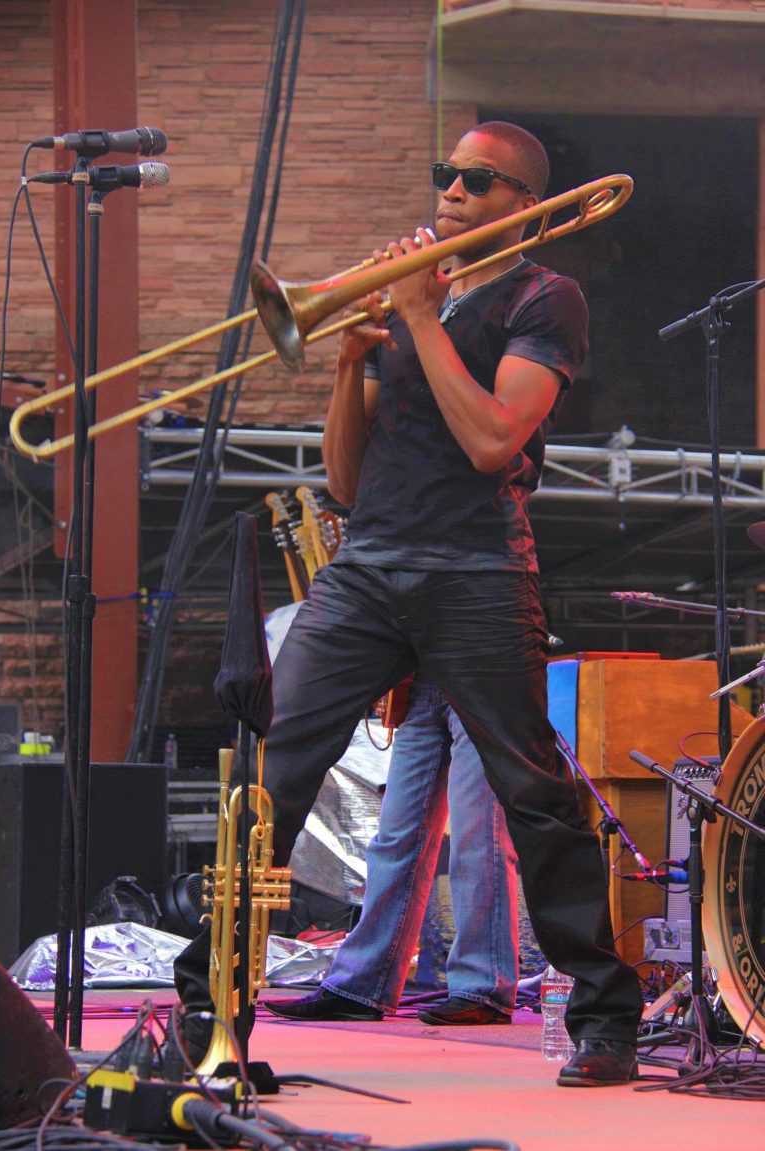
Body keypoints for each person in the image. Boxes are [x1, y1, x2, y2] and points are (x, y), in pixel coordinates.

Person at [178, 119, 644, 1085]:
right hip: (370, 563)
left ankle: (604, 1013)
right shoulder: (409, 305)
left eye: (477, 181)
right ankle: (208, 1004)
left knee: (533, 792)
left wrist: (421, 318)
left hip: (476, 570)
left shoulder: (543, 297)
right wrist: (352, 361)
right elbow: (346, 483)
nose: (451, 192)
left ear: (525, 206)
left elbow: (492, 442)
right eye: (446, 175)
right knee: (269, 772)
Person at [264, 672, 519, 1025]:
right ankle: (361, 986)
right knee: (395, 840)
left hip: (481, 675)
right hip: (421, 684)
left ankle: (482, 988)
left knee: (477, 838)